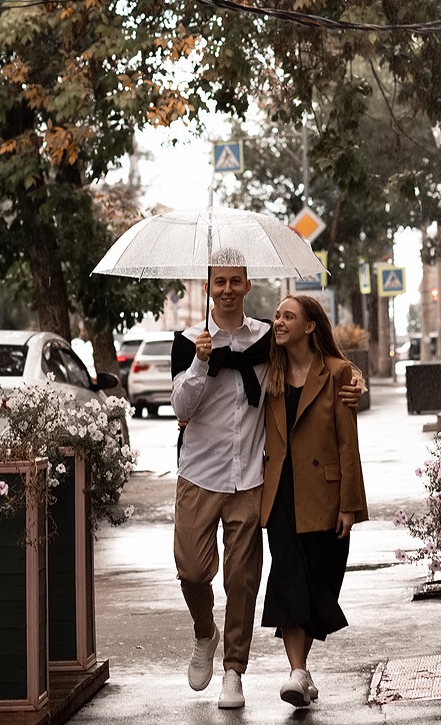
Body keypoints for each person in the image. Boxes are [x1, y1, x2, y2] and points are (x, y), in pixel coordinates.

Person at [170, 249, 362, 710]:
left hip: (251, 478)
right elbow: (180, 409)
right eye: (220, 282)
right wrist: (200, 363)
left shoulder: (266, 339)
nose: (228, 289)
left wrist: (354, 379)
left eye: (235, 281)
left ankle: (234, 672)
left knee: (243, 580)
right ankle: (204, 633)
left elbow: (311, 361)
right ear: (209, 288)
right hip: (199, 473)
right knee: (192, 572)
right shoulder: (187, 341)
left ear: (247, 286)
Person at [260, 293, 369, 709]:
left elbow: (347, 444)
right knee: (288, 581)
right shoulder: (269, 372)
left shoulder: (338, 374)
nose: (279, 322)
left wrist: (349, 505)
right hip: (280, 493)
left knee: (319, 585)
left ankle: (300, 673)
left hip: (325, 495)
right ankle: (297, 672)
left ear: (310, 326)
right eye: (277, 316)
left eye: (288, 316)